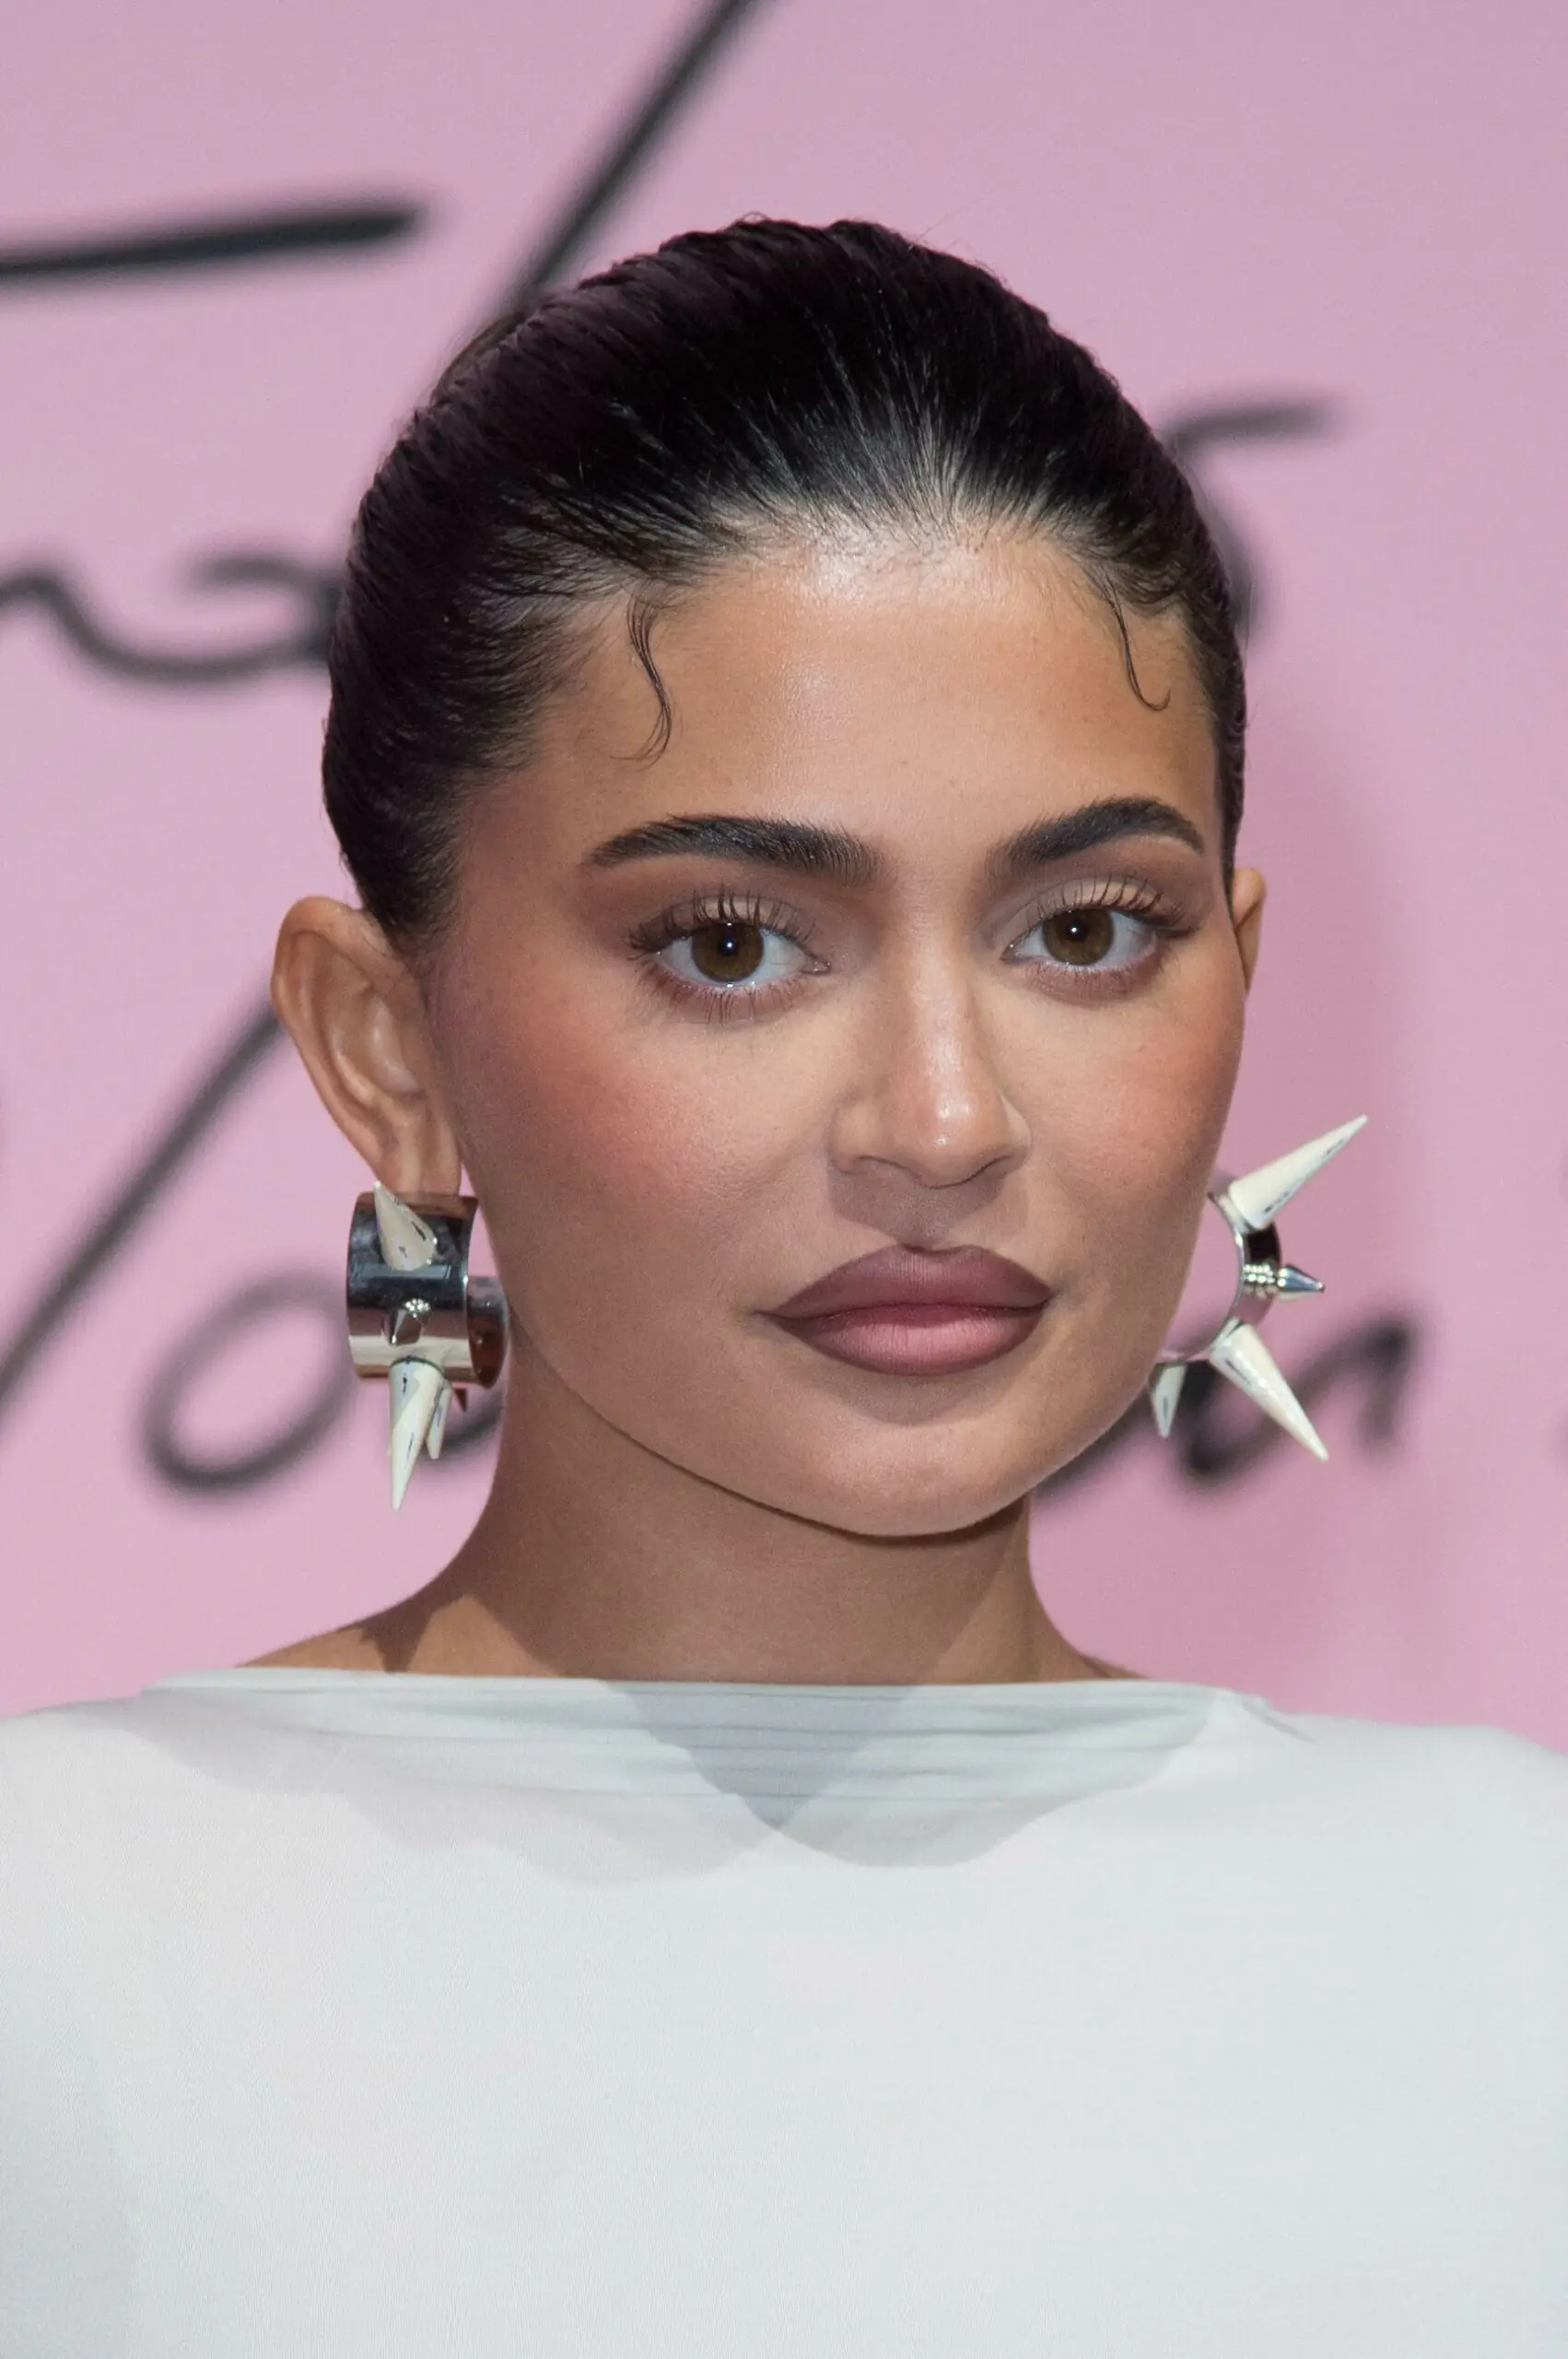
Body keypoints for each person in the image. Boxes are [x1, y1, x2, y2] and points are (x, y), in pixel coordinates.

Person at [2, 218, 1562, 2354]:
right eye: (730, 943)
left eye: (1084, 931)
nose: (939, 1120)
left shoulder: (1504, 1933)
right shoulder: (61, 1931)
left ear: (1235, 973)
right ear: (388, 1050)